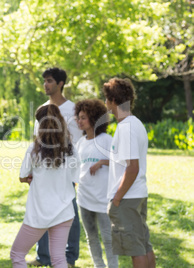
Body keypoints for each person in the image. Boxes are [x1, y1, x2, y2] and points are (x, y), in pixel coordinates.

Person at [11, 104, 79, 268]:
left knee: (17, 254)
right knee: (59, 259)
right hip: (64, 212)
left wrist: (30, 178)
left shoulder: (34, 149)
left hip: (39, 214)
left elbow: (22, 176)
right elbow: (74, 179)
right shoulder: (70, 149)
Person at [29, 67, 82, 268]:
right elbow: (37, 141)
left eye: (49, 81)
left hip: (66, 172)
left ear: (60, 83)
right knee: (42, 211)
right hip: (43, 171)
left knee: (71, 213)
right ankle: (43, 256)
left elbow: (80, 141)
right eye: (44, 81)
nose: (46, 84)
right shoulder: (42, 109)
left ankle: (69, 258)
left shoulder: (73, 110)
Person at [103, 78, 156, 268]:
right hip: (137, 195)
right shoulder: (135, 123)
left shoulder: (127, 127)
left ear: (114, 100)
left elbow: (132, 167)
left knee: (136, 250)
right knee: (143, 247)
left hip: (127, 198)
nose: (105, 103)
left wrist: (116, 199)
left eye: (106, 99)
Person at [75, 99, 118, 268]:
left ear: (94, 118)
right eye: (78, 117)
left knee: (108, 238)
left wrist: (101, 163)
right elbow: (76, 167)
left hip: (103, 198)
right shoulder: (80, 143)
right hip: (84, 197)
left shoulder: (107, 140)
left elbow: (120, 162)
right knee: (91, 236)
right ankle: (98, 265)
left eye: (83, 117)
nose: (79, 121)